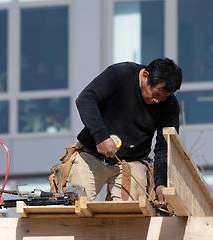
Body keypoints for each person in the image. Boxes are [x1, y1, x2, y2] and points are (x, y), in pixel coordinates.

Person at [51, 58, 182, 203]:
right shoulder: (120, 74)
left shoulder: (170, 105)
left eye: (164, 98)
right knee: (75, 205)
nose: (158, 101)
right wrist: (100, 137)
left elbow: (164, 148)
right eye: (156, 94)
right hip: (91, 154)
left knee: (131, 214)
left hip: (132, 163)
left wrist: (161, 183)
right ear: (145, 76)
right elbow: (85, 99)